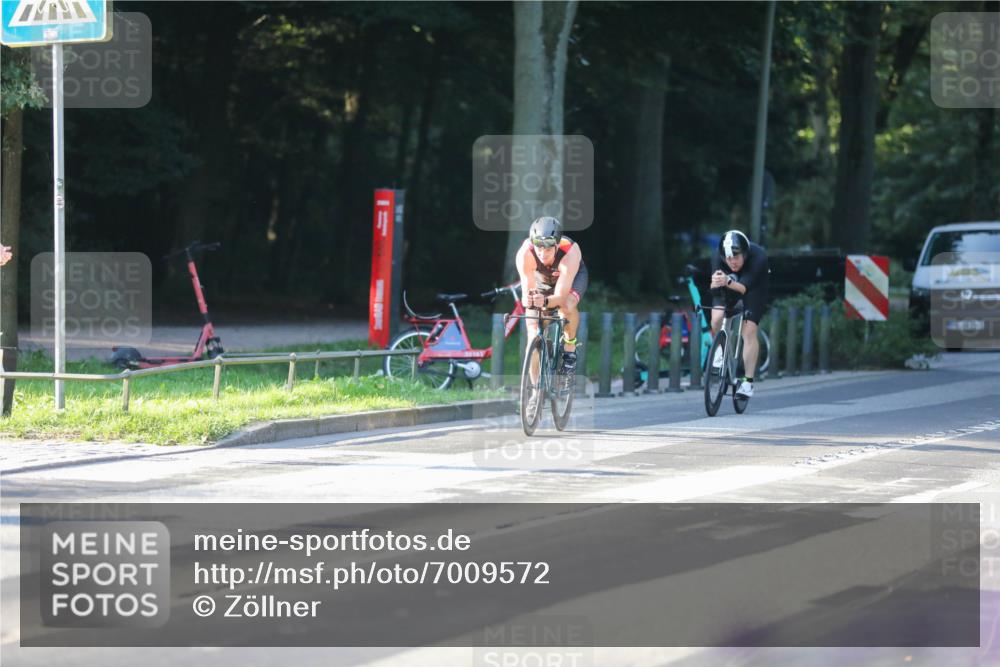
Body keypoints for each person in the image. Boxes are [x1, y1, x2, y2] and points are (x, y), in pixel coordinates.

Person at [514, 216, 588, 379]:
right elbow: (528, 291)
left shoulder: (570, 251)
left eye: (548, 249)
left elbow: (560, 297)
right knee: (533, 333)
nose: (542, 253)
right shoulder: (525, 253)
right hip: (542, 280)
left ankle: (570, 350)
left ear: (557, 244)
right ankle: (534, 394)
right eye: (539, 247)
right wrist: (531, 300)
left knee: (566, 306)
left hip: (571, 278)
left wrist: (546, 301)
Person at [709, 230, 769, 398]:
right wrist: (715, 284)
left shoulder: (758, 257)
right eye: (728, 258)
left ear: (745, 253)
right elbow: (714, 291)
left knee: (748, 330)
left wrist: (728, 281)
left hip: (753, 288)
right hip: (728, 284)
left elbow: (744, 288)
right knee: (717, 318)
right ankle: (720, 349)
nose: (732, 262)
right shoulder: (717, 257)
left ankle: (748, 382)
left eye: (736, 257)